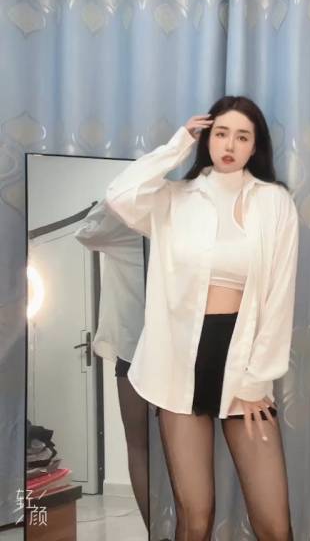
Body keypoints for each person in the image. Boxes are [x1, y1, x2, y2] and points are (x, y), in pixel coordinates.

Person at [105, 96, 299, 540]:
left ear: (255, 146)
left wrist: (256, 379)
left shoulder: (274, 203)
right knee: (195, 518)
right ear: (207, 139)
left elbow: (280, 295)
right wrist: (177, 145)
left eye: (242, 136)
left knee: (275, 525)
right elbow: (119, 196)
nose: (230, 145)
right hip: (179, 367)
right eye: (221, 133)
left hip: (244, 366)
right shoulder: (175, 198)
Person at [74, 202, 149, 530]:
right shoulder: (173, 217)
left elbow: (85, 232)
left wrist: (109, 199)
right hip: (170, 349)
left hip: (135, 349)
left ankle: (157, 531)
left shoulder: (123, 225)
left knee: (139, 446)